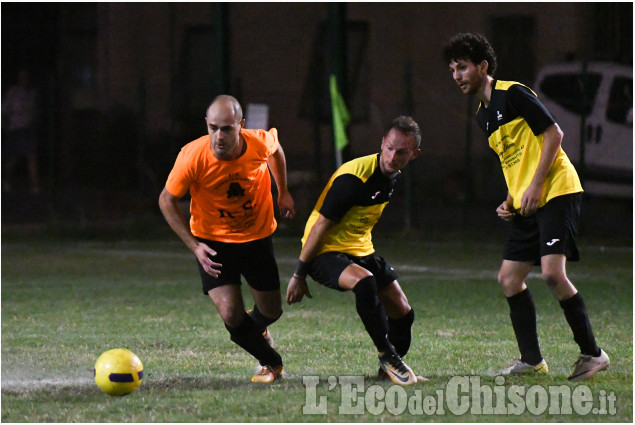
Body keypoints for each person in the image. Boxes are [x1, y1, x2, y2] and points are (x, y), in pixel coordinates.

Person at [442, 32, 609, 381]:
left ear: (483, 66)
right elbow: (514, 160)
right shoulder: (482, 117)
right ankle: (532, 361)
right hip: (527, 202)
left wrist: (534, 186)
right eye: (452, 69)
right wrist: (511, 198)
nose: (456, 75)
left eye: (462, 67)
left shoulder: (513, 93)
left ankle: (593, 354)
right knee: (509, 279)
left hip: (557, 190)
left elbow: (554, 135)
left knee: (551, 273)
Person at [159, 95, 295, 383]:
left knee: (271, 310)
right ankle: (272, 363)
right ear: (206, 125)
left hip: (256, 238)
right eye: (213, 128)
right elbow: (167, 200)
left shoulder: (258, 142)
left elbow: (276, 150)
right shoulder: (192, 156)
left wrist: (282, 190)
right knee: (232, 315)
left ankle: (255, 327)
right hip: (213, 242)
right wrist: (195, 246)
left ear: (241, 126)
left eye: (227, 129)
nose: (219, 136)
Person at [286, 116, 423, 386]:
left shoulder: (392, 176)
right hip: (323, 251)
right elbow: (320, 227)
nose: (393, 156)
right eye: (390, 148)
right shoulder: (354, 177)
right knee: (364, 282)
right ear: (382, 143)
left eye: (402, 152)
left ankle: (388, 372)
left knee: (404, 313)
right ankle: (387, 354)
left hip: (360, 249)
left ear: (414, 154)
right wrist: (299, 274)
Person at [2, 68, 40, 193]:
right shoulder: (13, 92)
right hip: (15, 128)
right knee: (14, 158)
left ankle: (34, 185)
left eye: (26, 76)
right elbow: (4, 110)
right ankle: (6, 180)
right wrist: (5, 125)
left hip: (28, 128)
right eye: (22, 76)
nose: (24, 79)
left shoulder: (31, 93)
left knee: (31, 155)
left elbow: (34, 111)